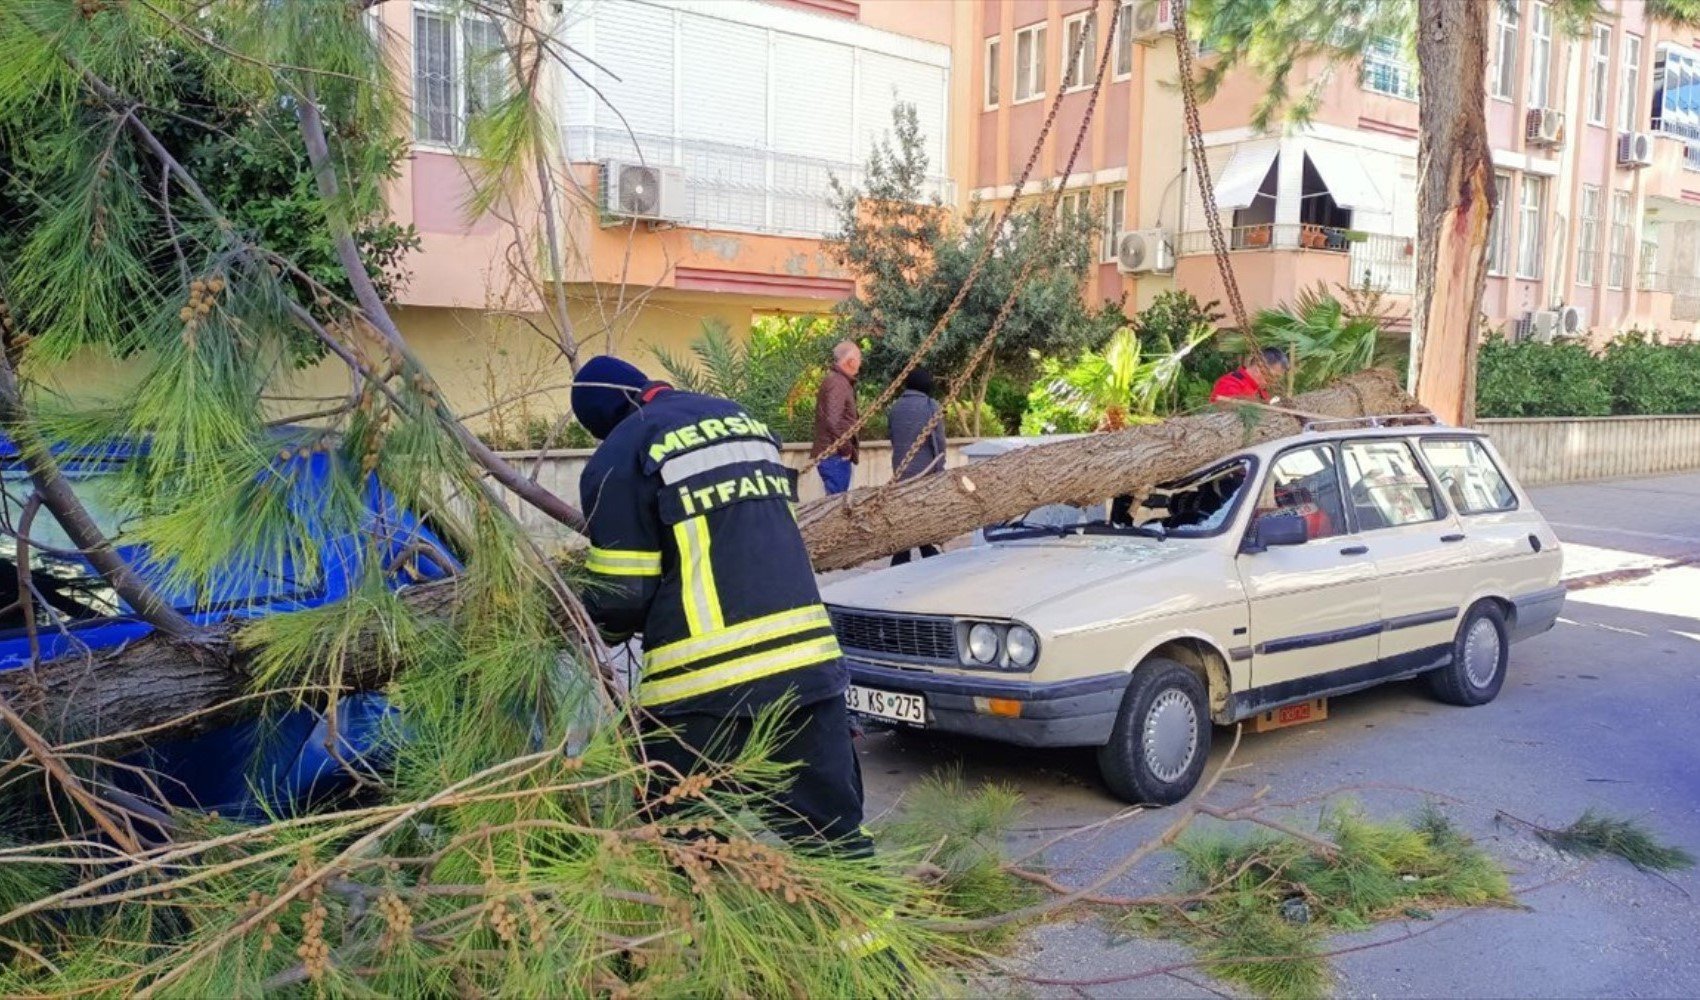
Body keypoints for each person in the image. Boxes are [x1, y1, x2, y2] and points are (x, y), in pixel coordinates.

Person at [572, 355, 872, 858]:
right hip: (809, 664)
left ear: (604, 424)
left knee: (685, 838)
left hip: (704, 686)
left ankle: (702, 931)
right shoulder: (742, 421)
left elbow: (623, 594)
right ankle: (873, 935)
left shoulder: (619, 455)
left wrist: (598, 621)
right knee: (835, 837)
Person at [886, 367, 945, 566]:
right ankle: (925, 549)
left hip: (900, 468)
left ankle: (906, 553)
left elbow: (892, 437)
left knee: (905, 509)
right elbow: (938, 441)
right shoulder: (931, 406)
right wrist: (940, 468)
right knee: (922, 510)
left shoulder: (895, 407)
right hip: (925, 468)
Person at [811, 341, 862, 495]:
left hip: (835, 454)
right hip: (836, 455)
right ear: (851, 361)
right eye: (859, 358)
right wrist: (846, 449)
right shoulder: (837, 383)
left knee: (837, 503)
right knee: (837, 506)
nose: (861, 362)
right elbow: (832, 420)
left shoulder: (839, 381)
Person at [1210, 347, 1290, 404]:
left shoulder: (1261, 391)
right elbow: (1226, 406)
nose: (1274, 381)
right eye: (1274, 376)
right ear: (1260, 366)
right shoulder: (1230, 383)